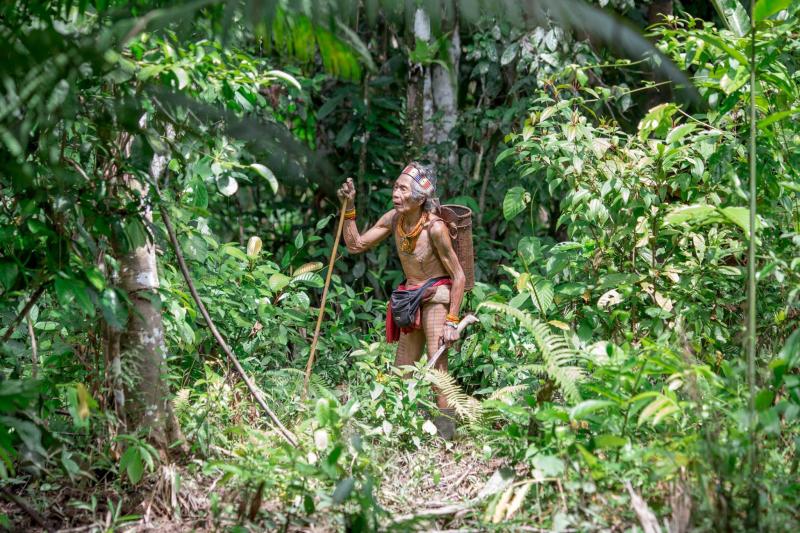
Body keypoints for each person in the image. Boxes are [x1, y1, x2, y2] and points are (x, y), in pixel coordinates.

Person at [337, 162, 466, 439]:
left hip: (435, 298)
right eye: (395, 187)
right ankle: (395, 433)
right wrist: (349, 208)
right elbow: (355, 244)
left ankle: (447, 436)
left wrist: (452, 321)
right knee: (400, 371)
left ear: (419, 198)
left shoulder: (435, 228)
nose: (396, 193)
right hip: (410, 300)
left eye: (403, 189)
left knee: (437, 368)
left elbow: (459, 275)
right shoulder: (395, 219)